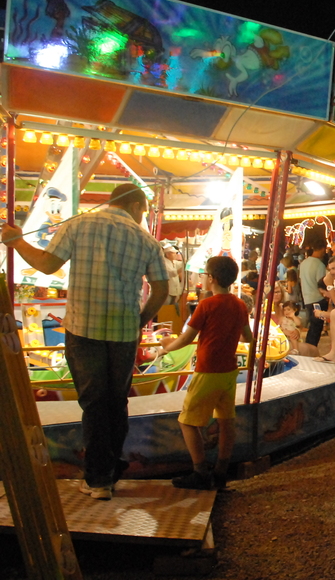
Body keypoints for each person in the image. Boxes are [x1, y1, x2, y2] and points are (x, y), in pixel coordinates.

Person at [2, 183, 169, 500]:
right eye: (143, 211)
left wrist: (17, 242)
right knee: (116, 403)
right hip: (123, 333)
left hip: (83, 329)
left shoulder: (78, 224)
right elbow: (161, 289)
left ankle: (98, 480)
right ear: (135, 205)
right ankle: (111, 471)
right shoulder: (145, 240)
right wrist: (140, 321)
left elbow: (48, 264)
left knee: (93, 404)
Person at [160, 256, 252, 489]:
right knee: (226, 420)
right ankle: (221, 470)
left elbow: (186, 337)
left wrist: (166, 348)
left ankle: (200, 471)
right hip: (228, 370)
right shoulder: (240, 304)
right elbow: (247, 337)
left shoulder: (206, 305)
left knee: (188, 421)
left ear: (211, 278)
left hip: (208, 369)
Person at [299, 235, 328, 346]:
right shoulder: (319, 265)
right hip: (318, 300)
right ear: (322, 249)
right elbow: (321, 284)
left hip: (307, 299)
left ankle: (308, 347)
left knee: (312, 326)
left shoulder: (303, 264)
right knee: (317, 327)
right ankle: (311, 348)